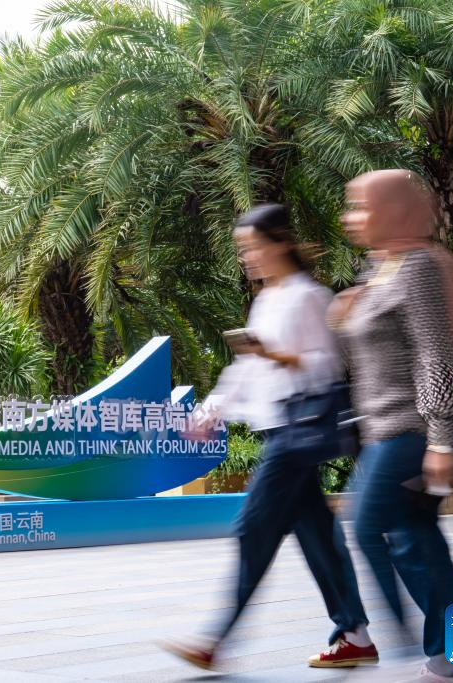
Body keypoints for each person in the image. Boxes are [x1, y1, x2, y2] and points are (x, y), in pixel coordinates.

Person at [162, 204, 376, 670]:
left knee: (253, 528)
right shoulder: (266, 299)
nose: (247, 257)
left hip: (297, 432)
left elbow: (325, 365)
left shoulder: (309, 296)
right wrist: (209, 411)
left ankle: (214, 639)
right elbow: (246, 369)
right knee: (317, 536)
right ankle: (355, 634)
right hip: (280, 429)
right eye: (243, 250)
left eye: (253, 247)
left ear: (280, 242)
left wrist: (275, 355)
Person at [333, 170, 453, 682]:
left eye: (361, 206)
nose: (350, 218)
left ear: (395, 210)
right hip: (383, 432)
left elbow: (436, 355)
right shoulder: (382, 269)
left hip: (411, 430)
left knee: (370, 526)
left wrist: (441, 440)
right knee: (418, 539)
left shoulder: (418, 266)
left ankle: (420, 642)